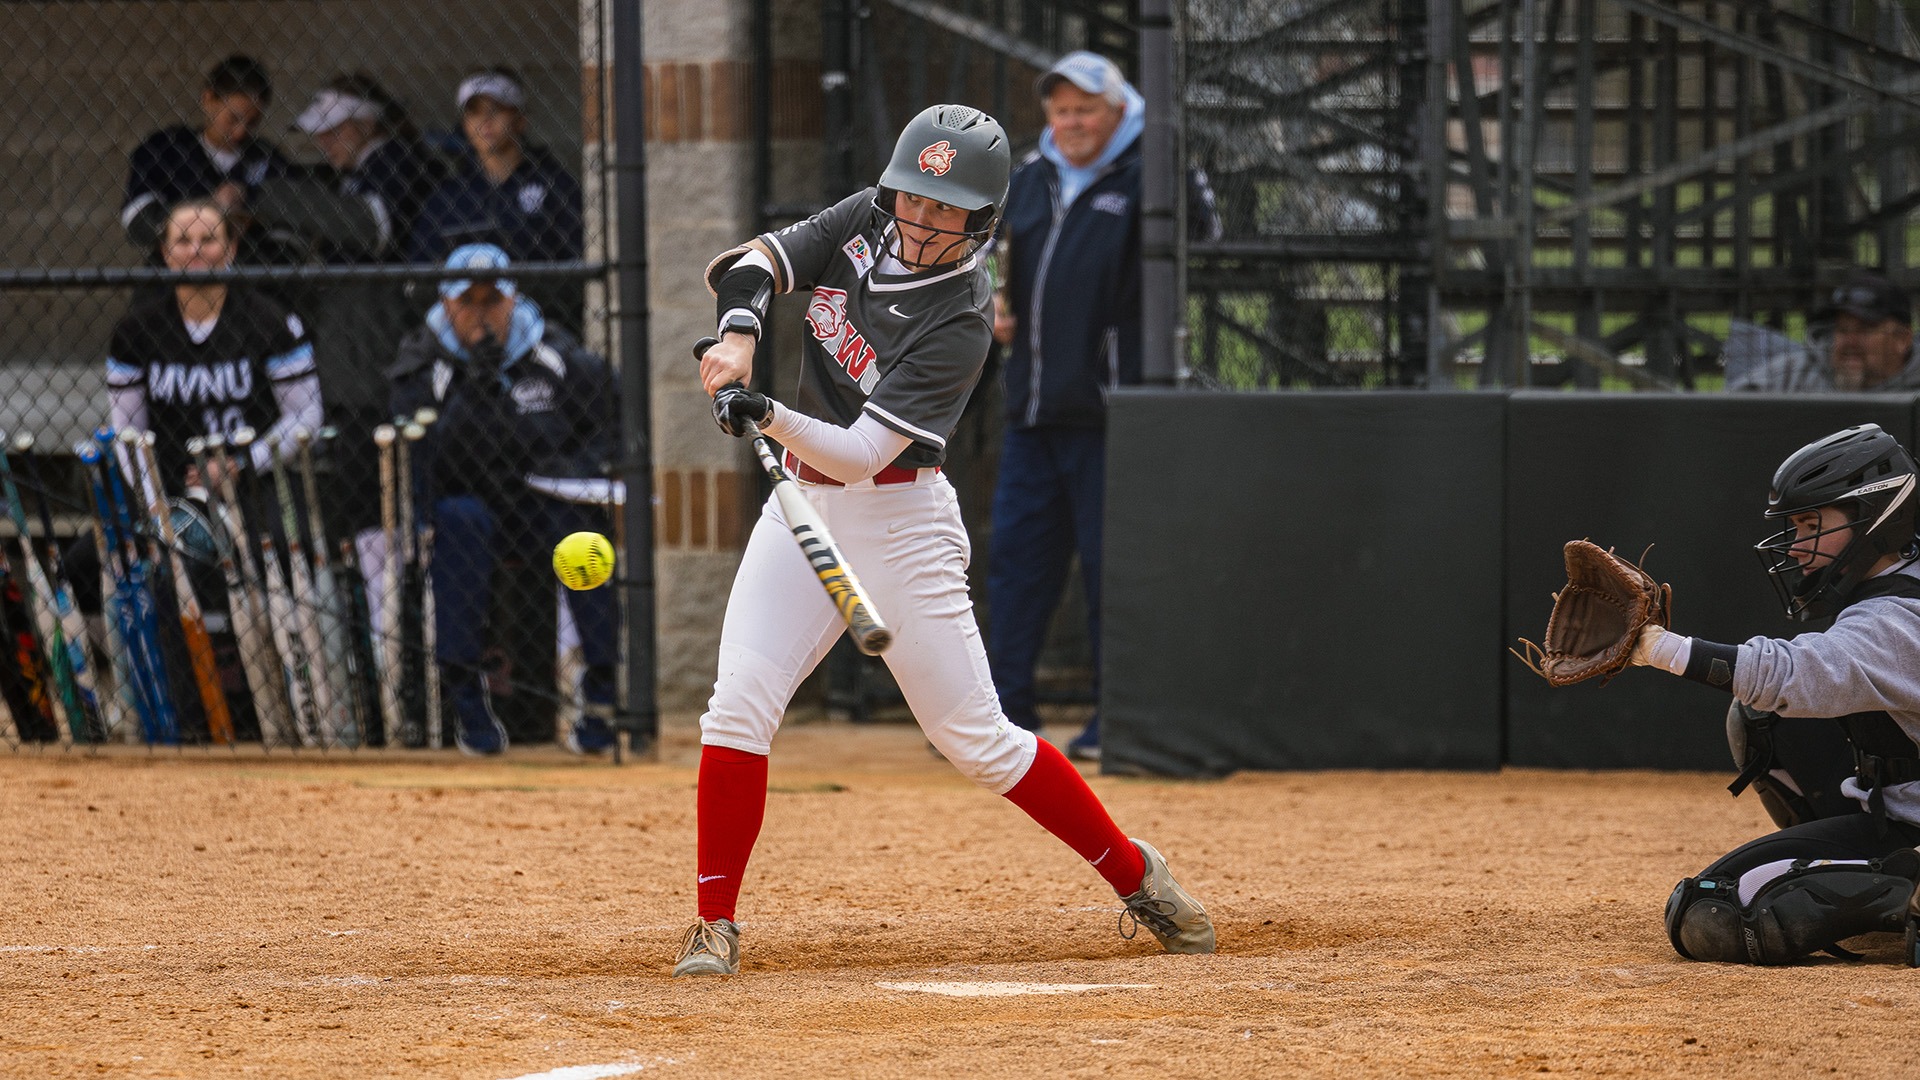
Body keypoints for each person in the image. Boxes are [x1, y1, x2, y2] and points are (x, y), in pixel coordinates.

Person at [675, 103, 1215, 978]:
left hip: (899, 522)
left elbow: (857, 456)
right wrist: (741, 333)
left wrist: (767, 411)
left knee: (977, 740)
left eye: (945, 207)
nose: (921, 220)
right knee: (737, 704)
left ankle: (1133, 873)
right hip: (800, 515)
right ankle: (714, 922)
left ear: (983, 217)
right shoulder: (866, 220)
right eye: (913, 199)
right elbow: (760, 262)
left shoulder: (963, 315)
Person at [988, 52, 1221, 761]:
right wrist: (992, 301)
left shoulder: (1155, 170)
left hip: (1117, 414)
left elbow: (1204, 241)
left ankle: (1114, 720)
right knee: (1015, 565)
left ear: (1120, 110)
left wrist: (1174, 165)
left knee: (1110, 569)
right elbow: (993, 256)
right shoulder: (1029, 177)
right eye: (1061, 109)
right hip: (1032, 410)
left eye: (1086, 108)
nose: (1073, 122)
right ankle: (1002, 721)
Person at [1627, 423, 1920, 964]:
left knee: (1716, 912)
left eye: (1813, 523)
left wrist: (1655, 647)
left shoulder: (1894, 618)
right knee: (1761, 718)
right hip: (1902, 818)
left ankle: (1905, 891)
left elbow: (1793, 675)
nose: (1796, 543)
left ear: (1875, 517)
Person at [388, 244, 618, 757]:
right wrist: (473, 391)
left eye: (492, 300)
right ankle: (467, 695)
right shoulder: (424, 362)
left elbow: (607, 428)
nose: (481, 314)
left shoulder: (555, 353)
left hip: (539, 501)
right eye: (467, 302)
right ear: (446, 305)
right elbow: (425, 460)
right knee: (459, 520)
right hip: (468, 504)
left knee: (582, 529)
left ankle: (601, 687)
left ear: (513, 299)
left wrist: (575, 468)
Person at [252, 74, 443, 543]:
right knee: (355, 487)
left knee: (377, 484)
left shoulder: (396, 162)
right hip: (350, 356)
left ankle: (390, 586)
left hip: (376, 351)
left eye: (334, 131)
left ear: (364, 125)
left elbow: (369, 226)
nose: (323, 142)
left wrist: (271, 197)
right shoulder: (349, 175)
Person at [409, 68, 583, 330]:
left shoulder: (556, 186)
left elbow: (577, 268)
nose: (485, 121)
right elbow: (419, 275)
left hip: (543, 327)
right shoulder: (447, 196)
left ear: (520, 120)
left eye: (497, 110)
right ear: (464, 124)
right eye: (474, 111)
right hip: (464, 332)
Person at [121, 55, 290, 260]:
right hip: (175, 278)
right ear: (208, 99)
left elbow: (290, 231)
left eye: (252, 122)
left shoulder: (268, 159)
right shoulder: (166, 150)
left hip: (249, 280)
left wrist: (252, 206)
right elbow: (136, 222)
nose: (240, 132)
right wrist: (207, 208)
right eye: (233, 118)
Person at [1727, 271, 1920, 392]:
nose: (1850, 341)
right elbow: (1723, 417)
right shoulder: (1793, 374)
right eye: (1842, 330)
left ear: (1902, 339)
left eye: (1865, 330)